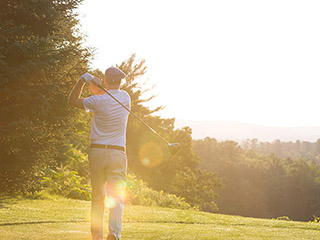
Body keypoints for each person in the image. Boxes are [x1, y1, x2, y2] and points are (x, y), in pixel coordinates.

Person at [68, 67, 130, 240]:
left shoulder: (97, 101)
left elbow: (72, 100)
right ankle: (115, 234)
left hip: (97, 152)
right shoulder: (126, 97)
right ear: (120, 81)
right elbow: (102, 92)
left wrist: (83, 80)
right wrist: (94, 83)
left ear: (105, 79)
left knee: (98, 197)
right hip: (118, 153)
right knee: (117, 196)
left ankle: (97, 238)